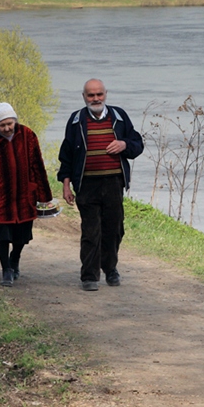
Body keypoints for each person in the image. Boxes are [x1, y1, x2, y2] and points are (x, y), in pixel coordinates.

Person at [57, 79, 143, 291]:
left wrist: (124, 144)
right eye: (91, 95)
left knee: (114, 230)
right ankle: (89, 276)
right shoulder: (76, 120)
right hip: (86, 184)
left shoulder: (119, 116)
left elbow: (137, 145)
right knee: (90, 231)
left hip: (114, 183)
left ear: (106, 94)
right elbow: (66, 154)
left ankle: (110, 268)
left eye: (99, 94)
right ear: (84, 97)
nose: (95, 99)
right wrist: (66, 185)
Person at [0, 102, 52, 287]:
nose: (6, 128)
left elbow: (37, 163)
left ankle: (15, 258)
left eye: (9, 124)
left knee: (22, 235)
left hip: (24, 194)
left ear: (15, 120)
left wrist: (44, 194)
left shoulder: (28, 135)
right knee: (1, 234)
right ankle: (6, 269)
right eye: (2, 125)